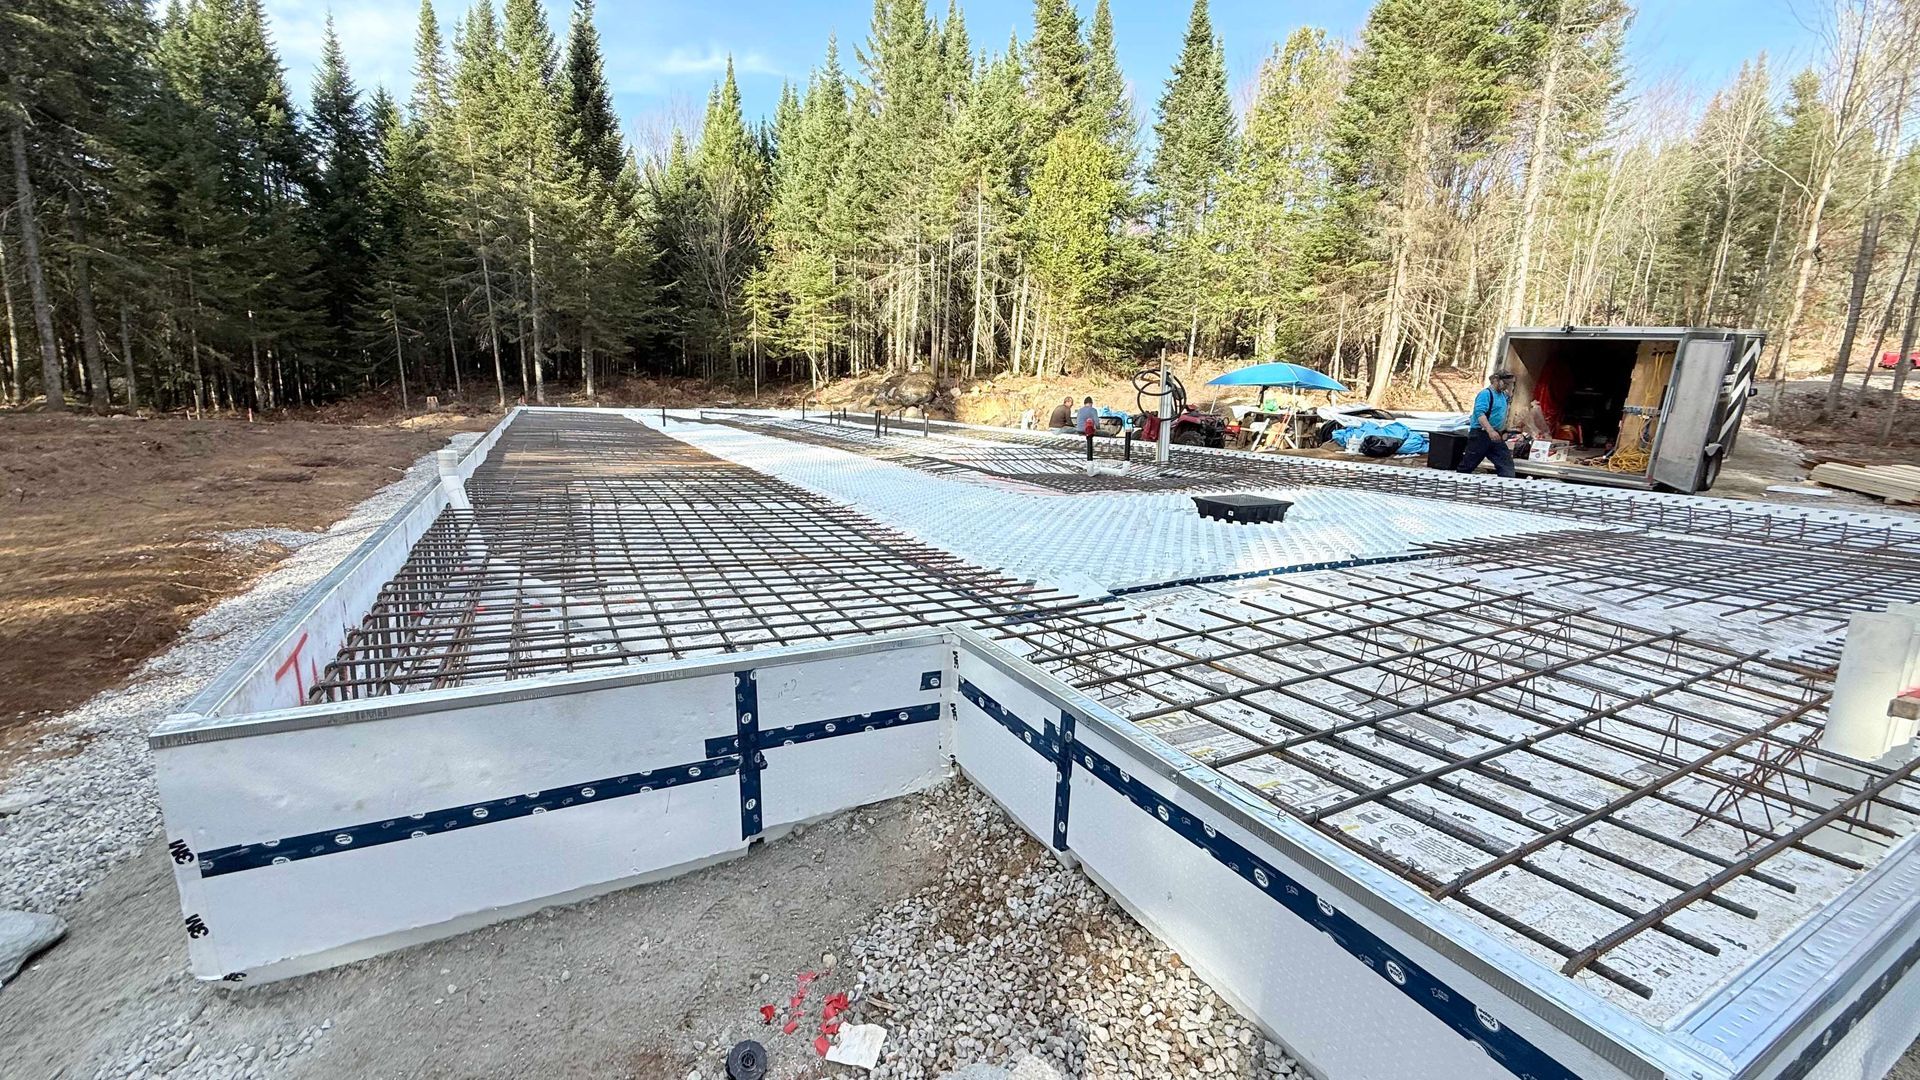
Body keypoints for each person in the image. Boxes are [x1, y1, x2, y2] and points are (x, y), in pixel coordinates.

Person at [1457, 370, 1517, 478]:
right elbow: (1480, 414)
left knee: (1506, 463)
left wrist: (1502, 431)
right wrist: (1490, 430)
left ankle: (1506, 486)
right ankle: (1458, 481)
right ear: (1496, 380)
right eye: (1505, 384)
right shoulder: (1486, 394)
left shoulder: (1503, 395)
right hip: (1481, 434)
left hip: (1495, 435)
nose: (1507, 387)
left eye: (1510, 384)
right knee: (1469, 464)